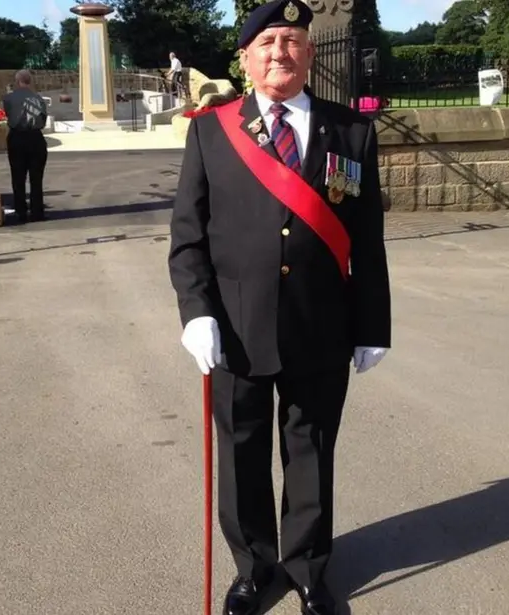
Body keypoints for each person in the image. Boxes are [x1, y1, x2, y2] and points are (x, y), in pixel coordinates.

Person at [167, 0, 391, 613]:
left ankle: (309, 568)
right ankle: (253, 567)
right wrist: (197, 314)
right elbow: (188, 237)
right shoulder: (212, 131)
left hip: (321, 325)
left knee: (311, 449)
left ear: (310, 54)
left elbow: (367, 241)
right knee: (240, 455)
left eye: (291, 41)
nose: (279, 53)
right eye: (266, 43)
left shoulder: (351, 132)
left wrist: (373, 326)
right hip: (235, 327)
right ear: (245, 58)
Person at [2, 69, 48, 223]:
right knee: (36, 178)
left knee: (18, 176)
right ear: (30, 81)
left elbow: (9, 114)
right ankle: (37, 212)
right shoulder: (39, 99)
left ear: (17, 81)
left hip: (17, 137)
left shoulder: (8, 98)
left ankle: (21, 211)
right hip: (36, 138)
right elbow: (43, 120)